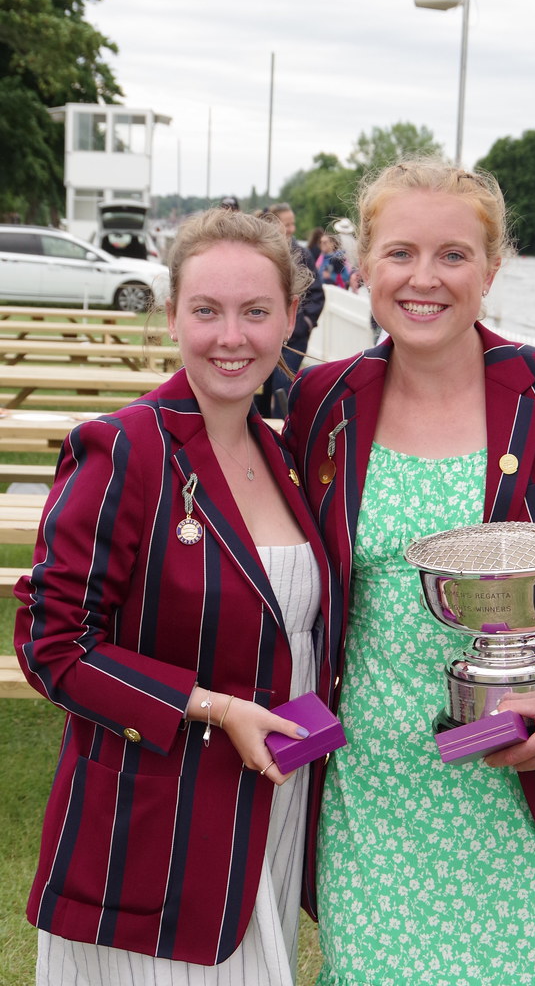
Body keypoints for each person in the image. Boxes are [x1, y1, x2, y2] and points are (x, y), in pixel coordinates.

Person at [284, 159, 535, 985]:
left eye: (453, 255)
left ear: (492, 268)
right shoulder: (322, 403)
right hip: (371, 795)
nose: (424, 279)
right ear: (364, 264)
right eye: (399, 253)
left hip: (519, 793)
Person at [13, 208, 342, 984]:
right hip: (156, 832)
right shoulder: (124, 447)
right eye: (207, 311)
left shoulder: (285, 453)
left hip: (272, 810)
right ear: (172, 317)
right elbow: (52, 646)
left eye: (256, 312)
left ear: (290, 319)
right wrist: (214, 707)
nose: (232, 336)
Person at [266, 202, 325, 418]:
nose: (291, 229)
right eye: (286, 224)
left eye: (293, 224)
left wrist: (304, 324)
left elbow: (317, 293)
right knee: (260, 387)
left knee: (283, 387)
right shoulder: (263, 252)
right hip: (267, 334)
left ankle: (284, 433)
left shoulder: (302, 254)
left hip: (294, 338)